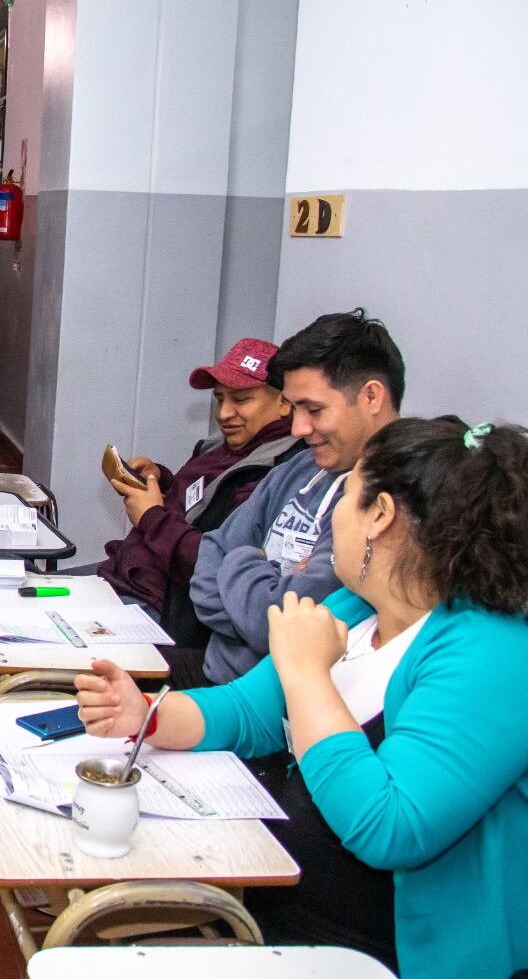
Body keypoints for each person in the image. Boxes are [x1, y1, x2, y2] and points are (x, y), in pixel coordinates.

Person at [77, 416, 528, 976]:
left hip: (387, 953)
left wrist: (310, 676)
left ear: (380, 515)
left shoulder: (494, 652)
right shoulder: (357, 608)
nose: (333, 514)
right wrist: (147, 714)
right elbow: (247, 710)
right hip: (276, 901)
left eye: (346, 495)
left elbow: (390, 827)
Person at [189, 310, 404, 684]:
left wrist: (241, 561)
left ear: (371, 396)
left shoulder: (386, 497)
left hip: (282, 704)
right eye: (294, 407)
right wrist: (262, 597)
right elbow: (206, 569)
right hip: (226, 680)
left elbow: (280, 626)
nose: (298, 428)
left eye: (314, 409)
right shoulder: (301, 466)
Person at [97, 339, 301, 683]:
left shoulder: (272, 473)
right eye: (220, 399)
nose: (224, 414)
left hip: (157, 612)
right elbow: (199, 505)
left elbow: (212, 563)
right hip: (121, 580)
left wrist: (150, 518)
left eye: (242, 399)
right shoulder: (219, 448)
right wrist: (161, 481)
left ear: (284, 402)